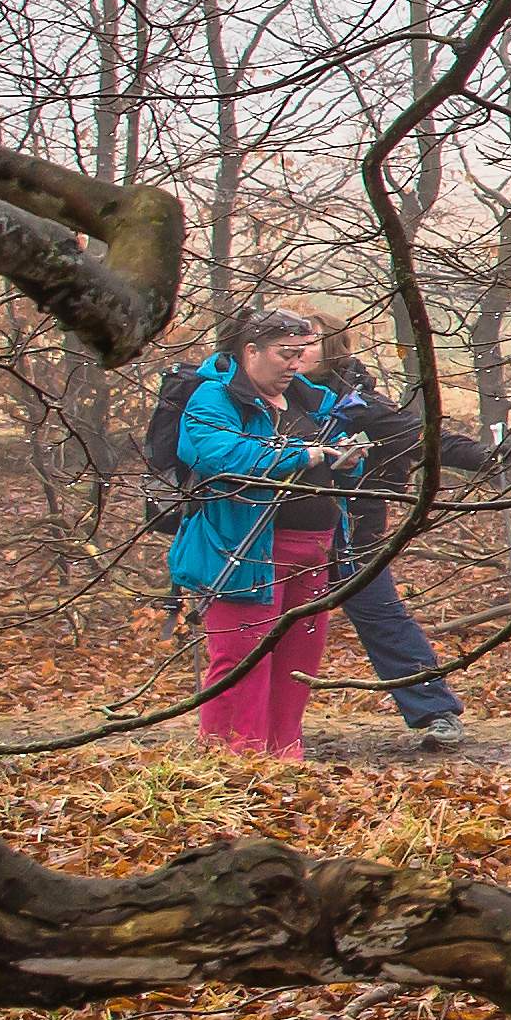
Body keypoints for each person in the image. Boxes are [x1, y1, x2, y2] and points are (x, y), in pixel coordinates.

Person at [166, 306, 360, 759]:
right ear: (251, 351)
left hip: (315, 550)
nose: (295, 364)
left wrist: (349, 458)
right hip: (244, 549)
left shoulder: (312, 399)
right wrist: (303, 456)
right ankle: (233, 761)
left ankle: (282, 759)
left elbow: (336, 456)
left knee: (297, 664)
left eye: (300, 353)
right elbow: (220, 455)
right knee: (242, 660)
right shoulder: (215, 399)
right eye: (284, 354)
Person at [296, 315, 491, 752]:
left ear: (332, 350)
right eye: (289, 343)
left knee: (383, 618)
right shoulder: (263, 396)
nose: (295, 352)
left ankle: (435, 710)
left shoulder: (360, 405)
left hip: (351, 536)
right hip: (276, 533)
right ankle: (255, 719)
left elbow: (421, 437)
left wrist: (486, 456)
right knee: (264, 623)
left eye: (307, 344)